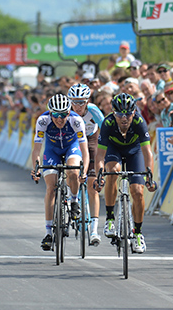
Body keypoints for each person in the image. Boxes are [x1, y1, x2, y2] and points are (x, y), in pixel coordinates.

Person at [93, 93, 157, 253]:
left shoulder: (139, 122)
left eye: (128, 114)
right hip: (113, 150)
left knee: (137, 192)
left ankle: (138, 233)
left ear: (134, 112)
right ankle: (109, 218)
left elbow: (148, 153)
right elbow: (100, 155)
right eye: (120, 114)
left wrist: (149, 177)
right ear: (113, 113)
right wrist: (99, 175)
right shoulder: (107, 123)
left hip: (134, 152)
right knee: (112, 172)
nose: (124, 118)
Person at [30, 94, 90, 251]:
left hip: (72, 147)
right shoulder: (43, 120)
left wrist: (84, 170)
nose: (60, 118)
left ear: (69, 112)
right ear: (50, 113)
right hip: (52, 151)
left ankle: (75, 200)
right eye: (56, 114)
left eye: (63, 114)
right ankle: (48, 233)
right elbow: (36, 149)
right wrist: (35, 167)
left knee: (73, 172)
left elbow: (85, 150)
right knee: (50, 188)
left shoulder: (76, 121)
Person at [67, 83, 105, 246]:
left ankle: (94, 230)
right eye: (74, 102)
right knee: (72, 171)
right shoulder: (66, 110)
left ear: (87, 101)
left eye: (82, 102)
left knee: (92, 185)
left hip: (91, 139)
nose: (78, 106)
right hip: (72, 140)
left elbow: (106, 129)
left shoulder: (93, 110)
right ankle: (71, 195)